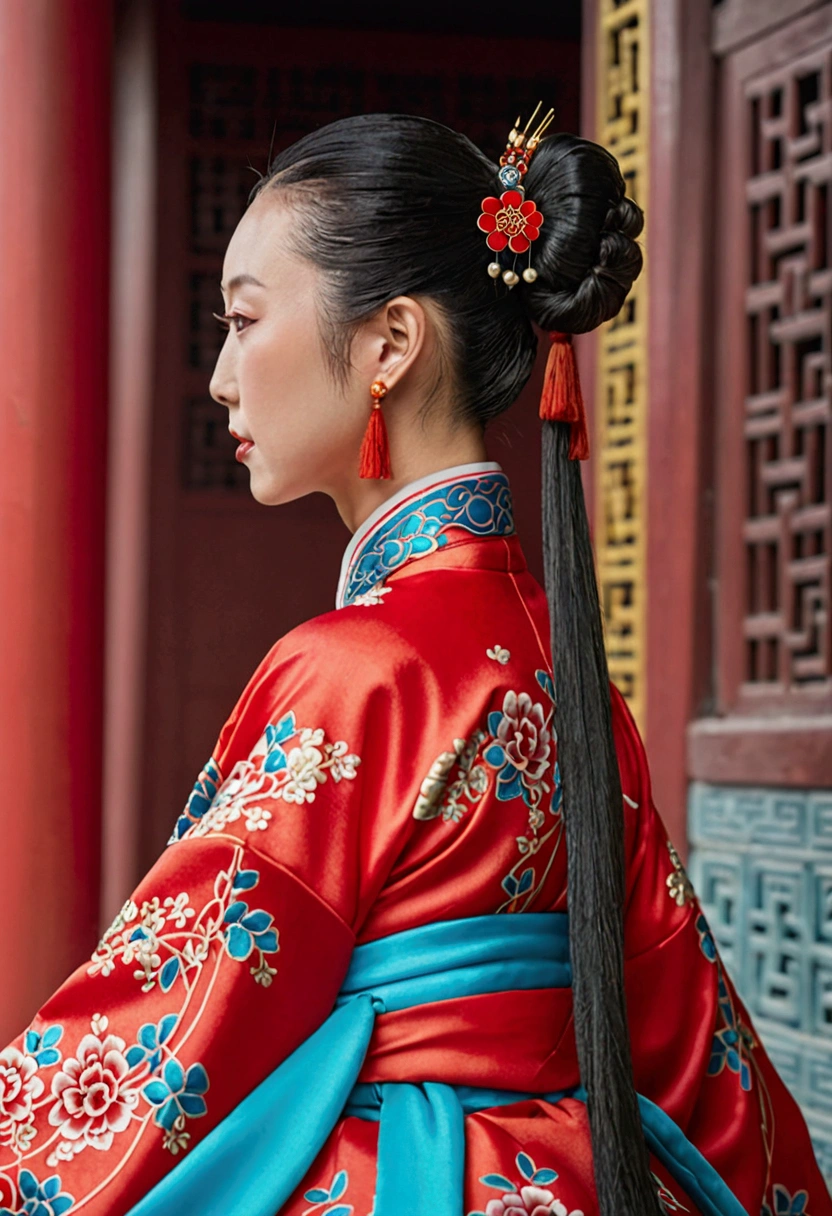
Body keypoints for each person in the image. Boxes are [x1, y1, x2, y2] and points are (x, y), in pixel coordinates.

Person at [0, 111, 827, 1216]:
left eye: (244, 322)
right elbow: (686, 1026)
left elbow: (180, 1009)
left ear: (391, 342)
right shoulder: (569, 672)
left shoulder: (353, 670)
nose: (220, 379)